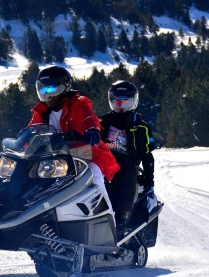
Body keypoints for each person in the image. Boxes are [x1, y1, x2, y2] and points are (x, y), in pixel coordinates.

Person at [28, 66, 120, 222]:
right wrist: (19, 143)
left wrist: (91, 129)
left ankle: (109, 222)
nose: (48, 95)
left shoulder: (78, 103)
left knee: (94, 175)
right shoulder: (41, 111)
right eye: (43, 91)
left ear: (65, 88)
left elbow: (87, 117)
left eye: (52, 89)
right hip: (58, 159)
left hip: (86, 154)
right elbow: (31, 130)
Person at [99, 80, 155, 239]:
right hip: (104, 162)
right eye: (116, 101)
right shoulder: (103, 122)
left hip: (127, 164)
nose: (120, 105)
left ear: (133, 101)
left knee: (126, 177)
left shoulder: (140, 126)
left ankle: (121, 222)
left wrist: (150, 180)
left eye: (125, 101)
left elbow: (146, 154)